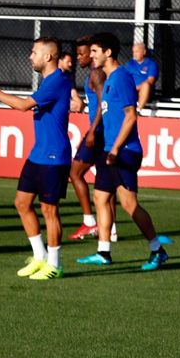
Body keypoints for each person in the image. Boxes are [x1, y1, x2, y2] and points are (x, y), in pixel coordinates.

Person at [0, 38, 72, 280]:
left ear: (48, 57)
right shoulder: (49, 81)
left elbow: (22, 106)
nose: (30, 57)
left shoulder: (56, 81)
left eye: (34, 52)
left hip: (54, 156)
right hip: (38, 154)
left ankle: (55, 265)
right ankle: (39, 257)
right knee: (22, 203)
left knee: (49, 210)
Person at [77, 32, 171, 271]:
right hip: (109, 149)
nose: (92, 55)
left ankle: (157, 250)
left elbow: (131, 116)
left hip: (124, 151)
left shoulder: (121, 78)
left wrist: (116, 149)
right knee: (100, 197)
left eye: (95, 51)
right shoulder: (108, 79)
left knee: (129, 205)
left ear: (108, 53)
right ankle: (103, 252)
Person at [67, 36, 116, 242]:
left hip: (98, 132)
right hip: (100, 131)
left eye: (83, 54)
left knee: (75, 173)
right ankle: (111, 229)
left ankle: (90, 222)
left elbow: (102, 105)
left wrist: (92, 131)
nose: (79, 57)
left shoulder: (96, 74)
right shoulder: (95, 74)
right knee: (106, 182)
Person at [124, 41, 159, 113]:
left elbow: (150, 80)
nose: (134, 54)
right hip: (131, 90)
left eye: (137, 51)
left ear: (144, 52)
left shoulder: (151, 64)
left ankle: (138, 111)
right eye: (133, 52)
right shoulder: (130, 64)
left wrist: (137, 87)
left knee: (146, 85)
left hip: (144, 92)